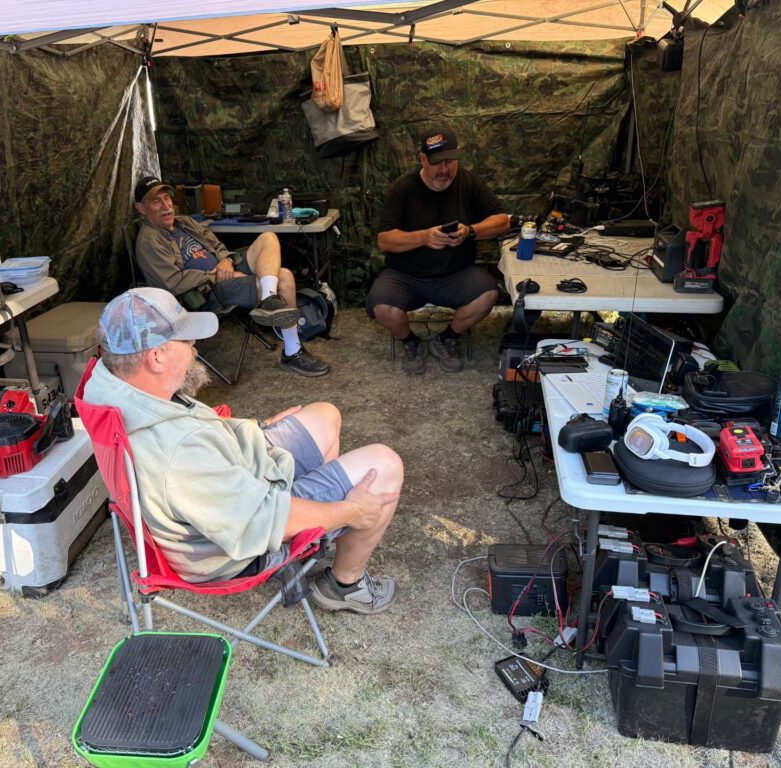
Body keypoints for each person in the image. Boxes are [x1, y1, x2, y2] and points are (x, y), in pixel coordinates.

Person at [84, 287, 404, 614]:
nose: (195, 346)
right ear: (156, 357)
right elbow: (261, 519)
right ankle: (344, 585)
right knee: (384, 465)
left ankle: (313, 533)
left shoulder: (114, 387)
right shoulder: (179, 450)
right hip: (237, 544)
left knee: (325, 416)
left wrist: (255, 428)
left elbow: (198, 437)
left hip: (229, 491)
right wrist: (351, 511)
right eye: (186, 340)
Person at [132, 176, 329, 377]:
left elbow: (217, 245)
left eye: (166, 198)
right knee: (284, 277)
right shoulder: (149, 241)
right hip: (207, 291)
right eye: (156, 202)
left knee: (268, 237)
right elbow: (173, 282)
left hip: (224, 271)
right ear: (141, 208)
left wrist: (226, 260)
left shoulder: (184, 222)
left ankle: (268, 299)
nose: (166, 206)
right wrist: (214, 275)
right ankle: (292, 351)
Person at [368, 128, 515, 375]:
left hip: (456, 274)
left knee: (489, 294)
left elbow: (503, 221)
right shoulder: (403, 189)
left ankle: (447, 338)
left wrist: (470, 231)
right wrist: (424, 237)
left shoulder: (469, 182)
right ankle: (410, 342)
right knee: (381, 306)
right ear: (422, 159)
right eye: (437, 162)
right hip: (405, 275)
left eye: (450, 161)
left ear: (458, 155)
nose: (444, 169)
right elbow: (384, 241)